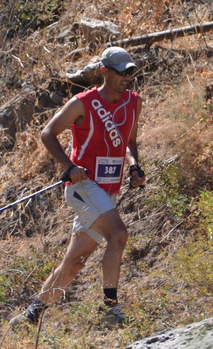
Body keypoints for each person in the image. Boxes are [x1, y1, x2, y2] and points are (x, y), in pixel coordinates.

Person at [11, 46, 146, 327]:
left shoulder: (134, 102)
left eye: (130, 72)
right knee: (118, 235)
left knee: (75, 262)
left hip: (108, 190)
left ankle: (30, 315)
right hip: (82, 187)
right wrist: (68, 166)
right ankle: (110, 309)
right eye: (121, 73)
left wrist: (134, 166)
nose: (127, 78)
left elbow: (128, 143)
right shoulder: (82, 103)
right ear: (104, 72)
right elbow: (47, 133)